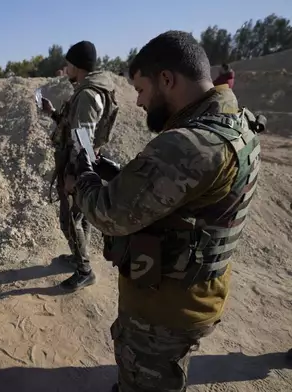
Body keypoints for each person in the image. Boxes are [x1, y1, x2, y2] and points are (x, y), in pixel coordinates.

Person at [70, 31, 264, 391]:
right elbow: (184, 196)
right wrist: (121, 175)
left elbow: (107, 213)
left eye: (141, 90)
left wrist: (82, 176)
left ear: (167, 79)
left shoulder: (187, 145)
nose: (140, 103)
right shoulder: (237, 123)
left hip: (164, 310)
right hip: (194, 294)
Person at [40, 41, 119, 291]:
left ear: (77, 66)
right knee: (80, 214)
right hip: (81, 163)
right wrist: (53, 113)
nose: (66, 68)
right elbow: (75, 128)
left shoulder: (86, 95)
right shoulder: (91, 89)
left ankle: (84, 270)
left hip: (77, 165)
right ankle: (78, 256)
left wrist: (75, 175)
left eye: (69, 64)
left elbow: (83, 140)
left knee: (70, 220)